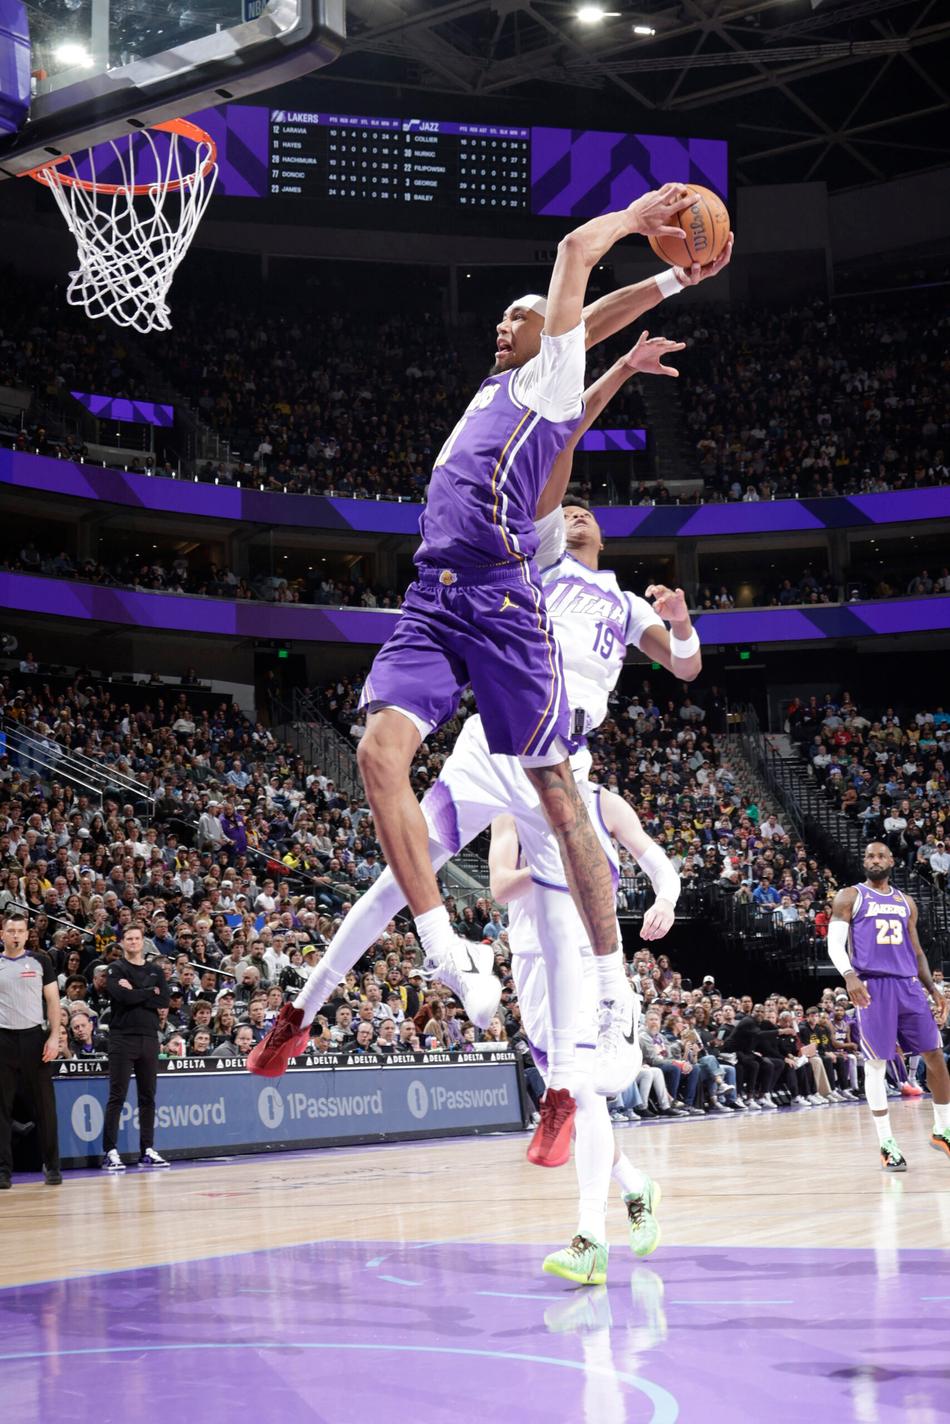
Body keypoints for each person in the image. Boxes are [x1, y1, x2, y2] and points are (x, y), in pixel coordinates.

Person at [251, 332, 707, 1173]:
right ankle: (303, 1008)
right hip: (489, 737)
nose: (572, 513)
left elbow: (685, 666)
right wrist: (617, 371)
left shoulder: (619, 601)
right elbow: (561, 432)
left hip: (556, 755)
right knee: (399, 875)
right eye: (564, 508)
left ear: (601, 535)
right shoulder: (529, 554)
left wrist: (680, 621)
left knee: (567, 920)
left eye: (583, 514)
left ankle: (569, 1085)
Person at [350, 186, 713, 1166]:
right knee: (539, 977)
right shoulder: (503, 390)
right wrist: (663, 295)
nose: (501, 322)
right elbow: (588, 322)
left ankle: (606, 1032)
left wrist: (659, 251)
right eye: (509, 317)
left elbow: (683, 667)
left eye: (515, 312)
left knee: (572, 893)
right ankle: (564, 1076)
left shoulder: (611, 585)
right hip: (480, 662)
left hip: (543, 711)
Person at [489, 795, 677, 1284]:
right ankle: (637, 1188)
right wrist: (552, 865)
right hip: (533, 966)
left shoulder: (601, 802)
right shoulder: (509, 810)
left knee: (588, 1094)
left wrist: (666, 900)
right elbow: (501, 887)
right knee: (575, 1101)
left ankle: (590, 1238)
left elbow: (659, 864)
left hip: (592, 961)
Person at [828, 842, 950, 1170]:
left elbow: (918, 950)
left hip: (908, 985)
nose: (875, 860)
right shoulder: (850, 897)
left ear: (891, 861)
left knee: (935, 1054)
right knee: (876, 1063)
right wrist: (849, 975)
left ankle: (943, 1129)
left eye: (881, 855)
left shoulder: (905, 902)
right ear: (864, 862)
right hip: (873, 985)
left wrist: (933, 989)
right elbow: (834, 943)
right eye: (869, 856)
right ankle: (886, 1142)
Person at [100, 923, 172, 1171]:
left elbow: (164, 999)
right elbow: (123, 997)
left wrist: (138, 992)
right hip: (122, 1038)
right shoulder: (115, 968)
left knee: (148, 1097)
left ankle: (147, 1149)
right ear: (122, 943)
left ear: (143, 941)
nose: (132, 942)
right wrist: (147, 993)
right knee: (117, 1096)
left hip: (149, 1038)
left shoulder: (155, 970)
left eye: (136, 938)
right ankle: (110, 1151)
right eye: (128, 939)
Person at [0, 909, 61, 1187]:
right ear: (2, 934)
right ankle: (3, 1171)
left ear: (27, 934)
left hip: (35, 1039)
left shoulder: (40, 961)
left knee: (45, 1106)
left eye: (20, 931)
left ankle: (52, 1166)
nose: (15, 936)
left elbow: (52, 1001)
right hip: (3, 1040)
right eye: (10, 931)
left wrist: (54, 1036)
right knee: (2, 1107)